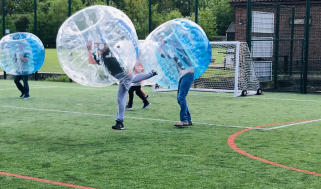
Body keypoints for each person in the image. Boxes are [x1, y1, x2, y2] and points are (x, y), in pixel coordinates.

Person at [87, 41, 157, 130]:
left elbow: (93, 58)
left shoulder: (107, 54)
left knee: (121, 98)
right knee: (134, 78)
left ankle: (120, 123)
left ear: (103, 49)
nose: (98, 50)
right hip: (125, 75)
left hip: (125, 76)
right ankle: (151, 73)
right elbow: (95, 56)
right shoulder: (105, 54)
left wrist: (90, 48)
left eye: (99, 48)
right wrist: (92, 45)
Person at [157, 34, 194, 128]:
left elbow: (191, 66)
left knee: (181, 98)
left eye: (174, 43)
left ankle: (184, 120)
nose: (173, 44)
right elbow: (162, 53)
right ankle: (188, 119)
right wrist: (162, 44)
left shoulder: (183, 52)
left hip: (188, 75)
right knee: (180, 98)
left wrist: (184, 71)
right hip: (183, 76)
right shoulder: (174, 53)